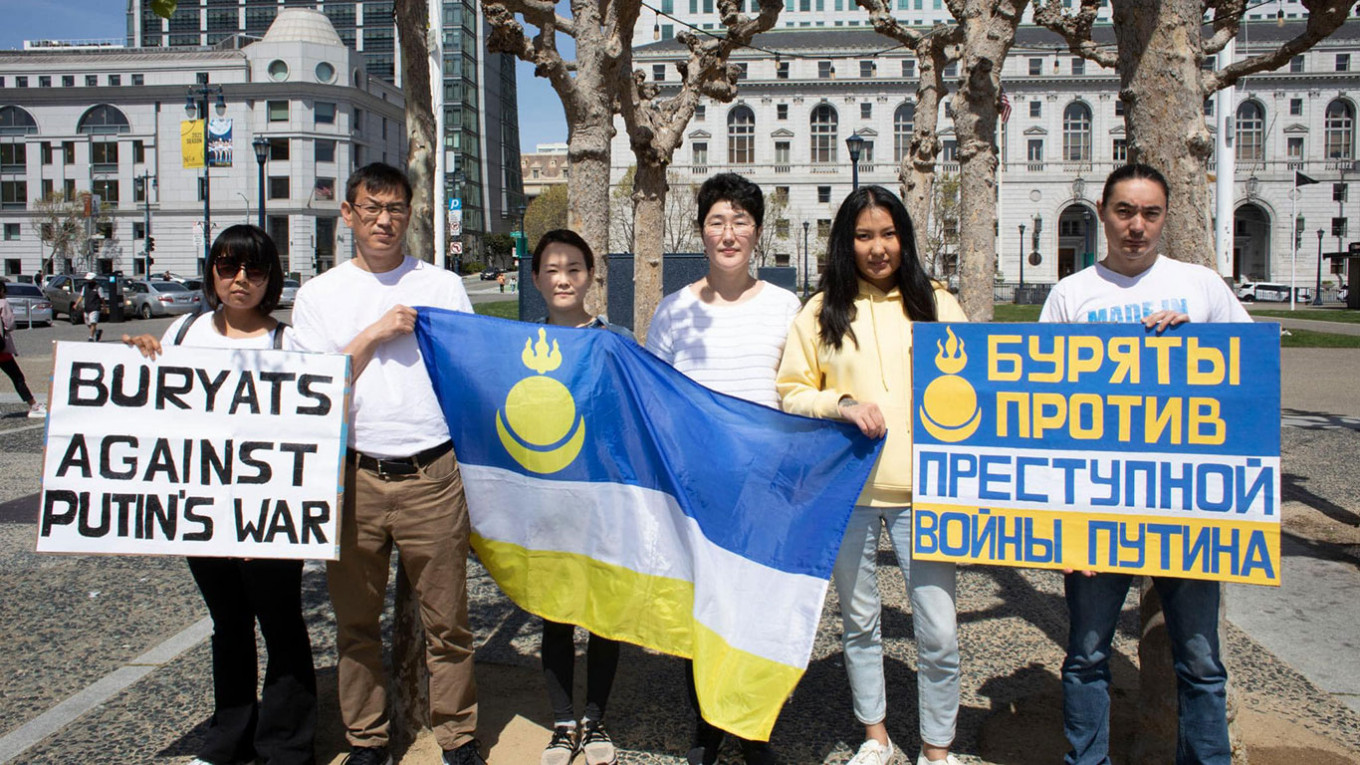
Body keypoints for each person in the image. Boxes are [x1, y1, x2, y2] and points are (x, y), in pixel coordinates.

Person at [1039, 163, 1249, 765]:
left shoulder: (1202, 287)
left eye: (1150, 213)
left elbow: (1251, 377)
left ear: (1166, 217)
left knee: (1202, 661)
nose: (1137, 226)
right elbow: (1039, 408)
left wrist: (1201, 346)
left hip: (1188, 503)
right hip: (1096, 507)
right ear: (1103, 214)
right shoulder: (1070, 295)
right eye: (1124, 212)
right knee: (1085, 654)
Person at [290, 163, 484, 765]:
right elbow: (311, 390)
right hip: (353, 477)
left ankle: (459, 738)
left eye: (395, 208)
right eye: (371, 208)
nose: (384, 220)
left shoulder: (443, 285)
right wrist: (374, 334)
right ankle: (367, 741)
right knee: (355, 626)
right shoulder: (319, 295)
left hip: (432, 474)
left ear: (411, 214)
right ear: (347, 213)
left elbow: (471, 372)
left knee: (447, 625)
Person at [776, 186, 967, 765]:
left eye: (888, 234)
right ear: (846, 243)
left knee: (938, 629)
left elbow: (981, 380)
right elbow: (791, 392)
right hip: (848, 492)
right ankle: (875, 737)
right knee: (859, 622)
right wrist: (841, 404)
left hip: (925, 496)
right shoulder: (819, 310)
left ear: (904, 239)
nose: (877, 247)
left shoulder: (937, 302)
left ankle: (938, 747)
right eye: (864, 236)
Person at [122, 225, 317, 765]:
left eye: (253, 270)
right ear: (211, 273)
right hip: (202, 511)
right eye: (228, 267)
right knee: (229, 625)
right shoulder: (183, 333)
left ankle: (286, 746)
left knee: (282, 628)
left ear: (270, 279)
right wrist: (140, 358)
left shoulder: (289, 344)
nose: (240, 280)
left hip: (271, 517)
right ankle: (228, 739)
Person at [645, 172, 801, 765]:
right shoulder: (674, 311)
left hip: (765, 490)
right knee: (704, 613)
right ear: (701, 230)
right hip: (699, 490)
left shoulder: (787, 308)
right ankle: (708, 725)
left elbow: (800, 392)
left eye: (740, 221)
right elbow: (655, 397)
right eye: (717, 220)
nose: (728, 232)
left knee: (760, 610)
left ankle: (755, 728)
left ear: (756, 232)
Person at [529, 229, 632, 765]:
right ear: (537, 279)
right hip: (548, 503)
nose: (563, 278)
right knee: (556, 615)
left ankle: (596, 721)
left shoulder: (618, 341)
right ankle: (561, 721)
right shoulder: (520, 348)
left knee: (603, 614)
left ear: (590, 276)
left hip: (605, 502)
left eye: (573, 268)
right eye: (552, 269)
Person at [0, 281, 46, 419]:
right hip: (1, 350)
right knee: (17, 377)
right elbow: (10, 325)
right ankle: (33, 405)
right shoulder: (2, 303)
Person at [79, 273, 103, 342]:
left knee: (93, 322)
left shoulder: (98, 288)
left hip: (95, 307)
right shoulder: (85, 287)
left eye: (90, 280)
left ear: (93, 279)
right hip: (87, 307)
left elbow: (102, 298)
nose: (88, 281)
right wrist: (77, 304)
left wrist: (103, 307)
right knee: (88, 323)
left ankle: (91, 337)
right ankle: (97, 332)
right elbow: (81, 296)